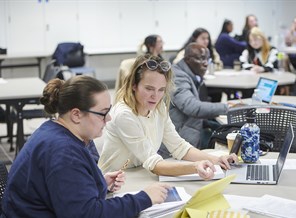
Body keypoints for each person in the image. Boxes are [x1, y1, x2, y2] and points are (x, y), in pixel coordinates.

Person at [1, 76, 171, 218]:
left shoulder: (53, 131)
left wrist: (98, 184)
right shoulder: (63, 152)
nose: (109, 118)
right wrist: (144, 198)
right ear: (76, 114)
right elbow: (87, 214)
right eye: (103, 113)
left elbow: (64, 188)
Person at [97, 54, 238, 177]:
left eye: (161, 90)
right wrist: (195, 166)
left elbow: (178, 146)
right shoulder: (124, 115)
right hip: (115, 182)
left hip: (139, 173)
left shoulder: (159, 107)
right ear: (134, 85)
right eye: (149, 88)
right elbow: (154, 164)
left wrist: (216, 160)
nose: (155, 96)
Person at [169, 42, 230, 150]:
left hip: (187, 131)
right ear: (187, 59)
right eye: (201, 59)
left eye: (207, 59)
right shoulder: (177, 76)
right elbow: (193, 107)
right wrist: (228, 107)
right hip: (178, 142)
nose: (206, 64)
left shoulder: (188, 73)